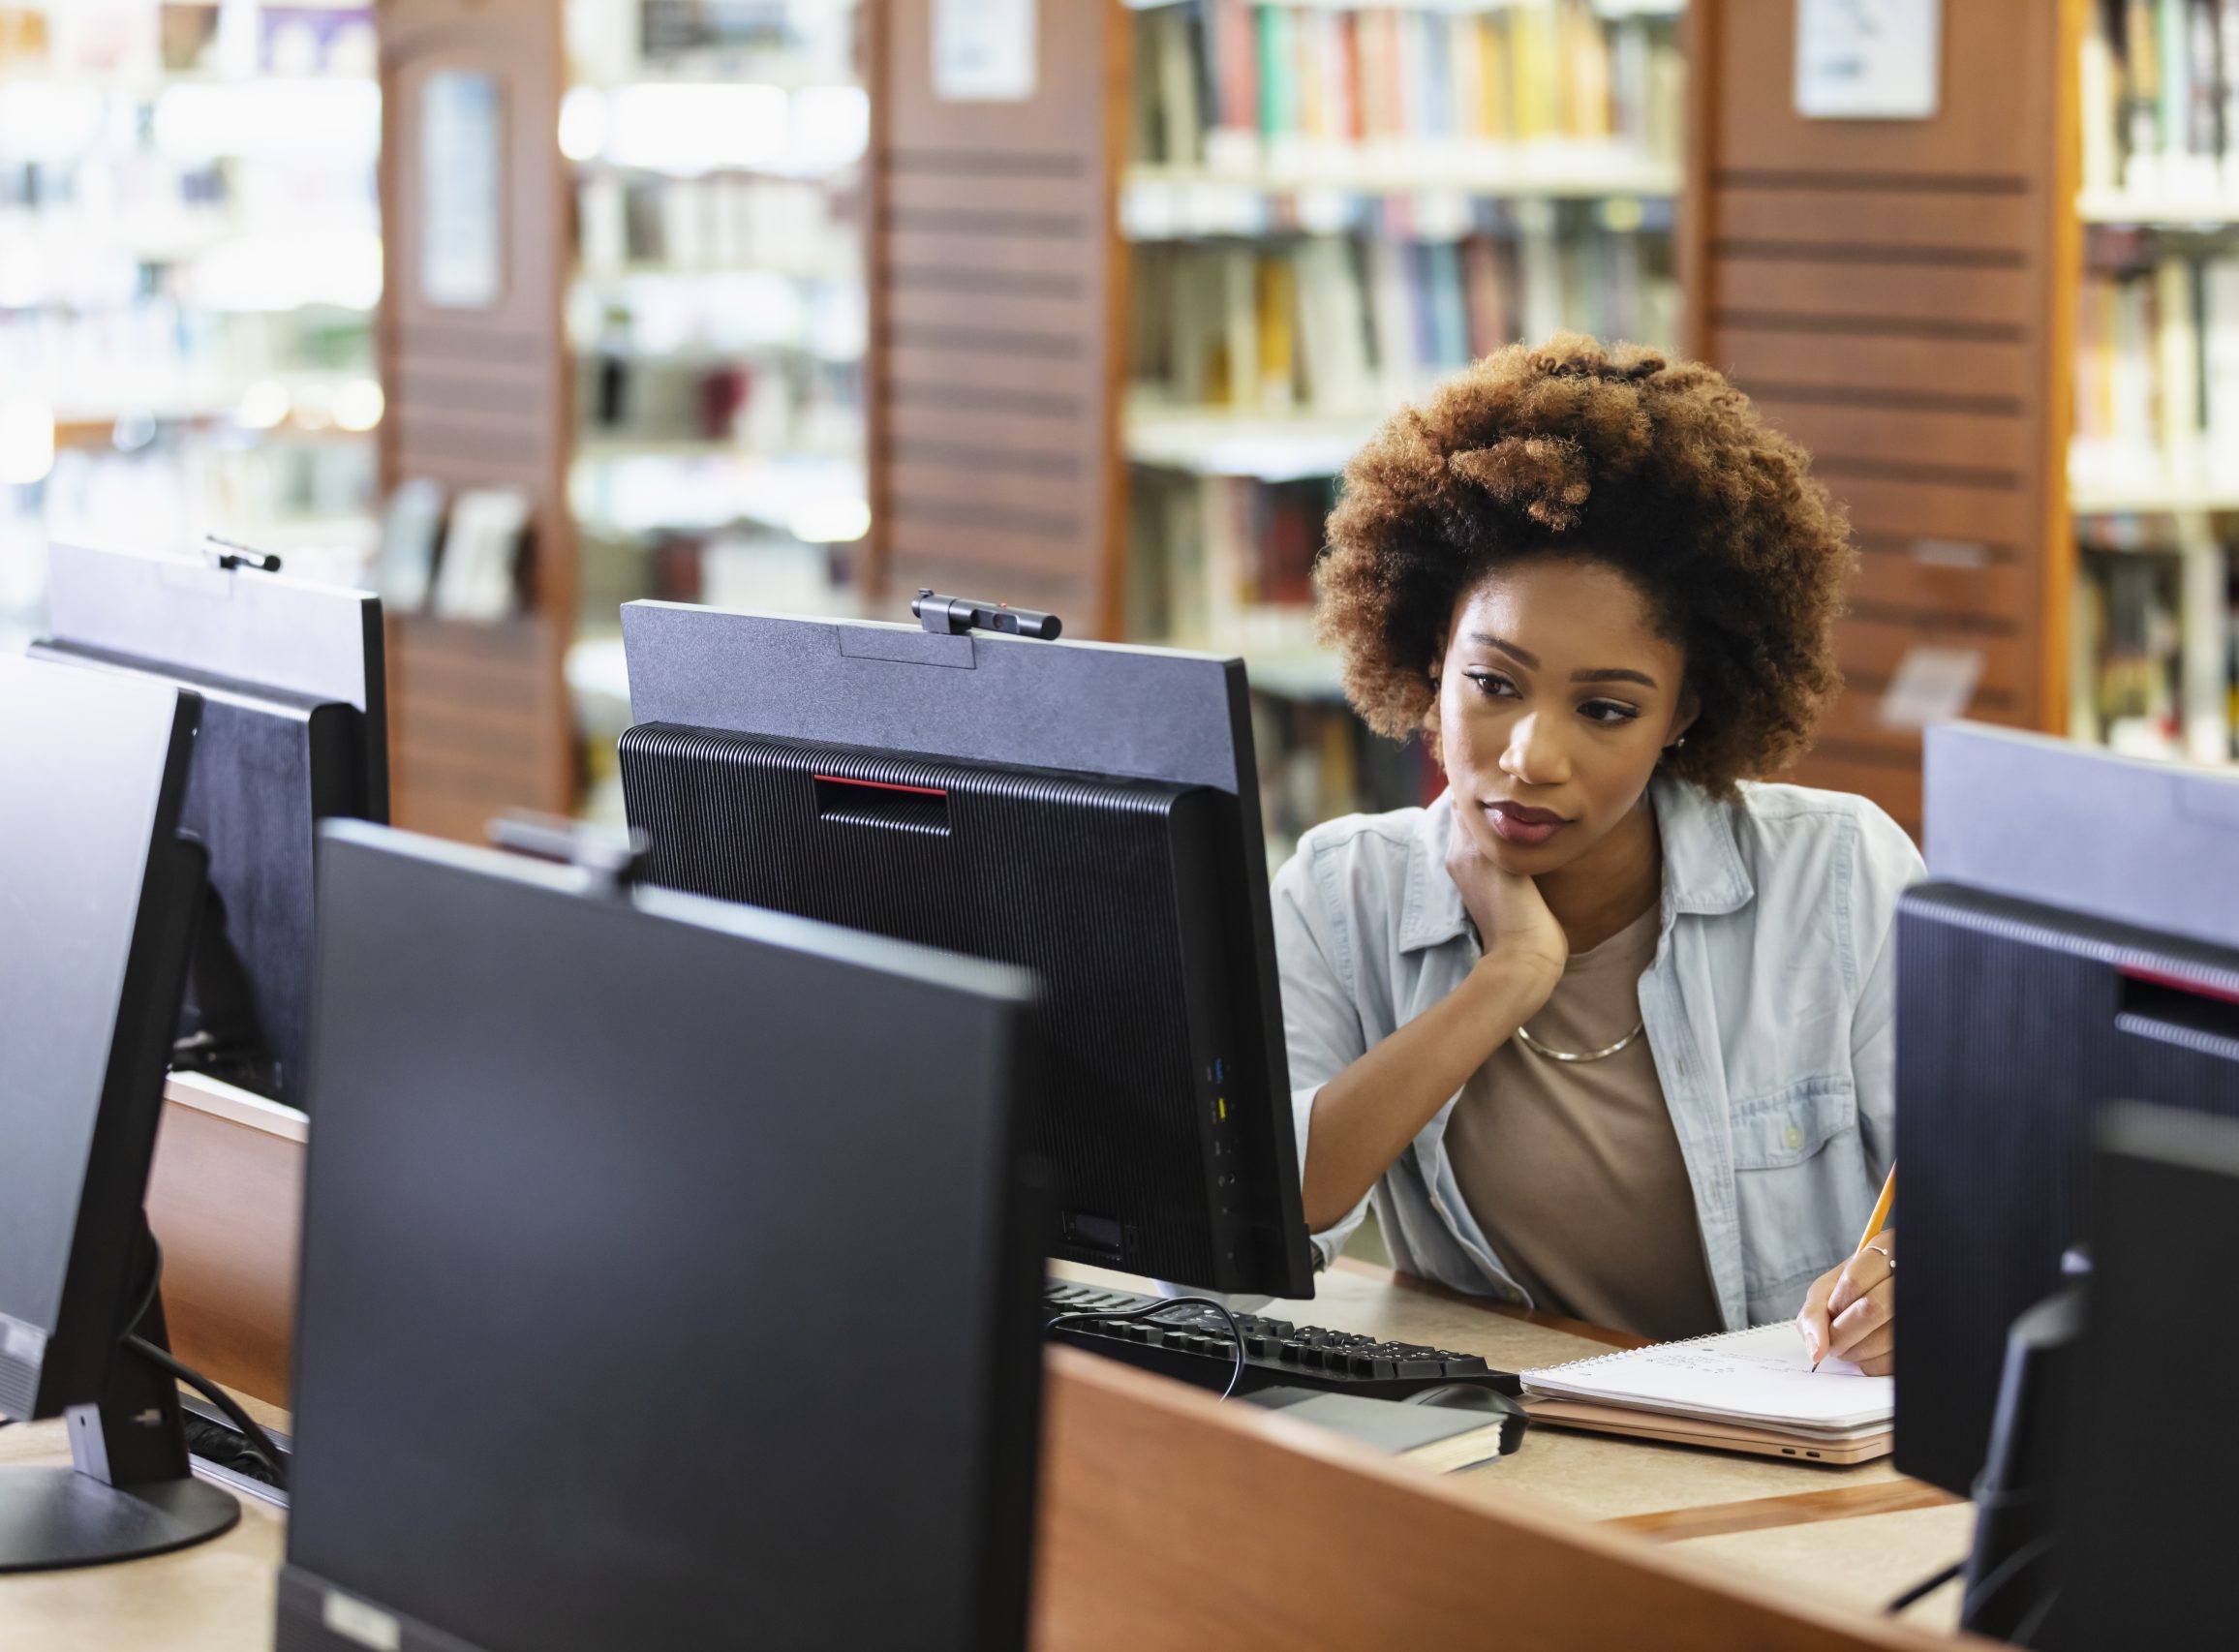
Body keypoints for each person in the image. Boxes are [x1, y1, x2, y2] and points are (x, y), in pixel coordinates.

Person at [1274, 334, 1917, 1372]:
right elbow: (1248, 1233)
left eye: (1605, 708)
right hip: (1518, 1459)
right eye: (1492, 683)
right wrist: (1508, 976)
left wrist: (1915, 1270)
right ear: (1432, 658)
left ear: (1681, 715)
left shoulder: (1836, 873)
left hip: (1799, 1460)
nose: (1530, 756)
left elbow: (2003, 1196)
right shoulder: (1338, 891)